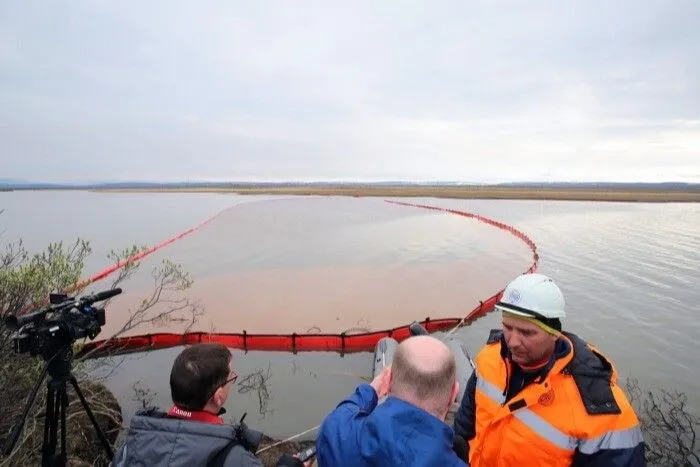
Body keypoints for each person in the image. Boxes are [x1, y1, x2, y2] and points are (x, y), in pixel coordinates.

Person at [453, 273, 645, 466]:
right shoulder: (490, 357)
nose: (512, 342)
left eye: (526, 332)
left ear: (554, 333)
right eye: (508, 327)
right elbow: (464, 427)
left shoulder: (599, 407)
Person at [111, 343, 303, 467]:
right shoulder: (235, 459)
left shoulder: (133, 442)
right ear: (218, 397)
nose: (232, 380)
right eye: (231, 377)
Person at [316, 335, 469, 466]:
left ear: (388, 381)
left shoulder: (335, 437)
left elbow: (343, 414)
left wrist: (371, 390)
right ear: (453, 395)